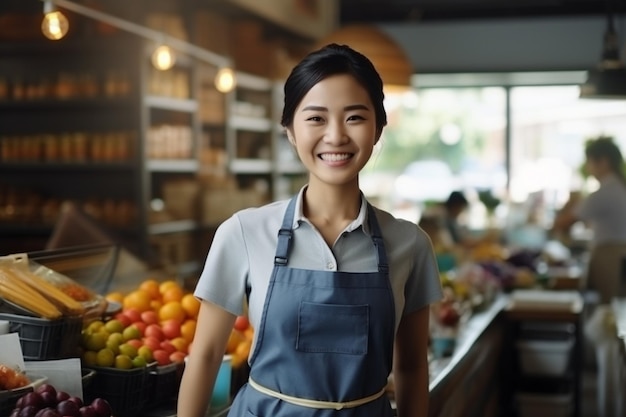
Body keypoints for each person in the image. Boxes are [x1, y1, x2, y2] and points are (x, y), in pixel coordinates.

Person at [177, 43, 443, 417]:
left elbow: (413, 368)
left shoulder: (410, 244)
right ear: (290, 130)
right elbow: (204, 356)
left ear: (378, 128)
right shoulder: (243, 232)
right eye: (316, 118)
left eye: (354, 117)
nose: (335, 136)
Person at [552, 136, 626, 304]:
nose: (588, 167)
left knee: (610, 308)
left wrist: (570, 202)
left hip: (610, 256)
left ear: (603, 162)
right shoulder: (619, 186)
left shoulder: (605, 192)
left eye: (590, 161)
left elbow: (564, 222)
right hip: (618, 253)